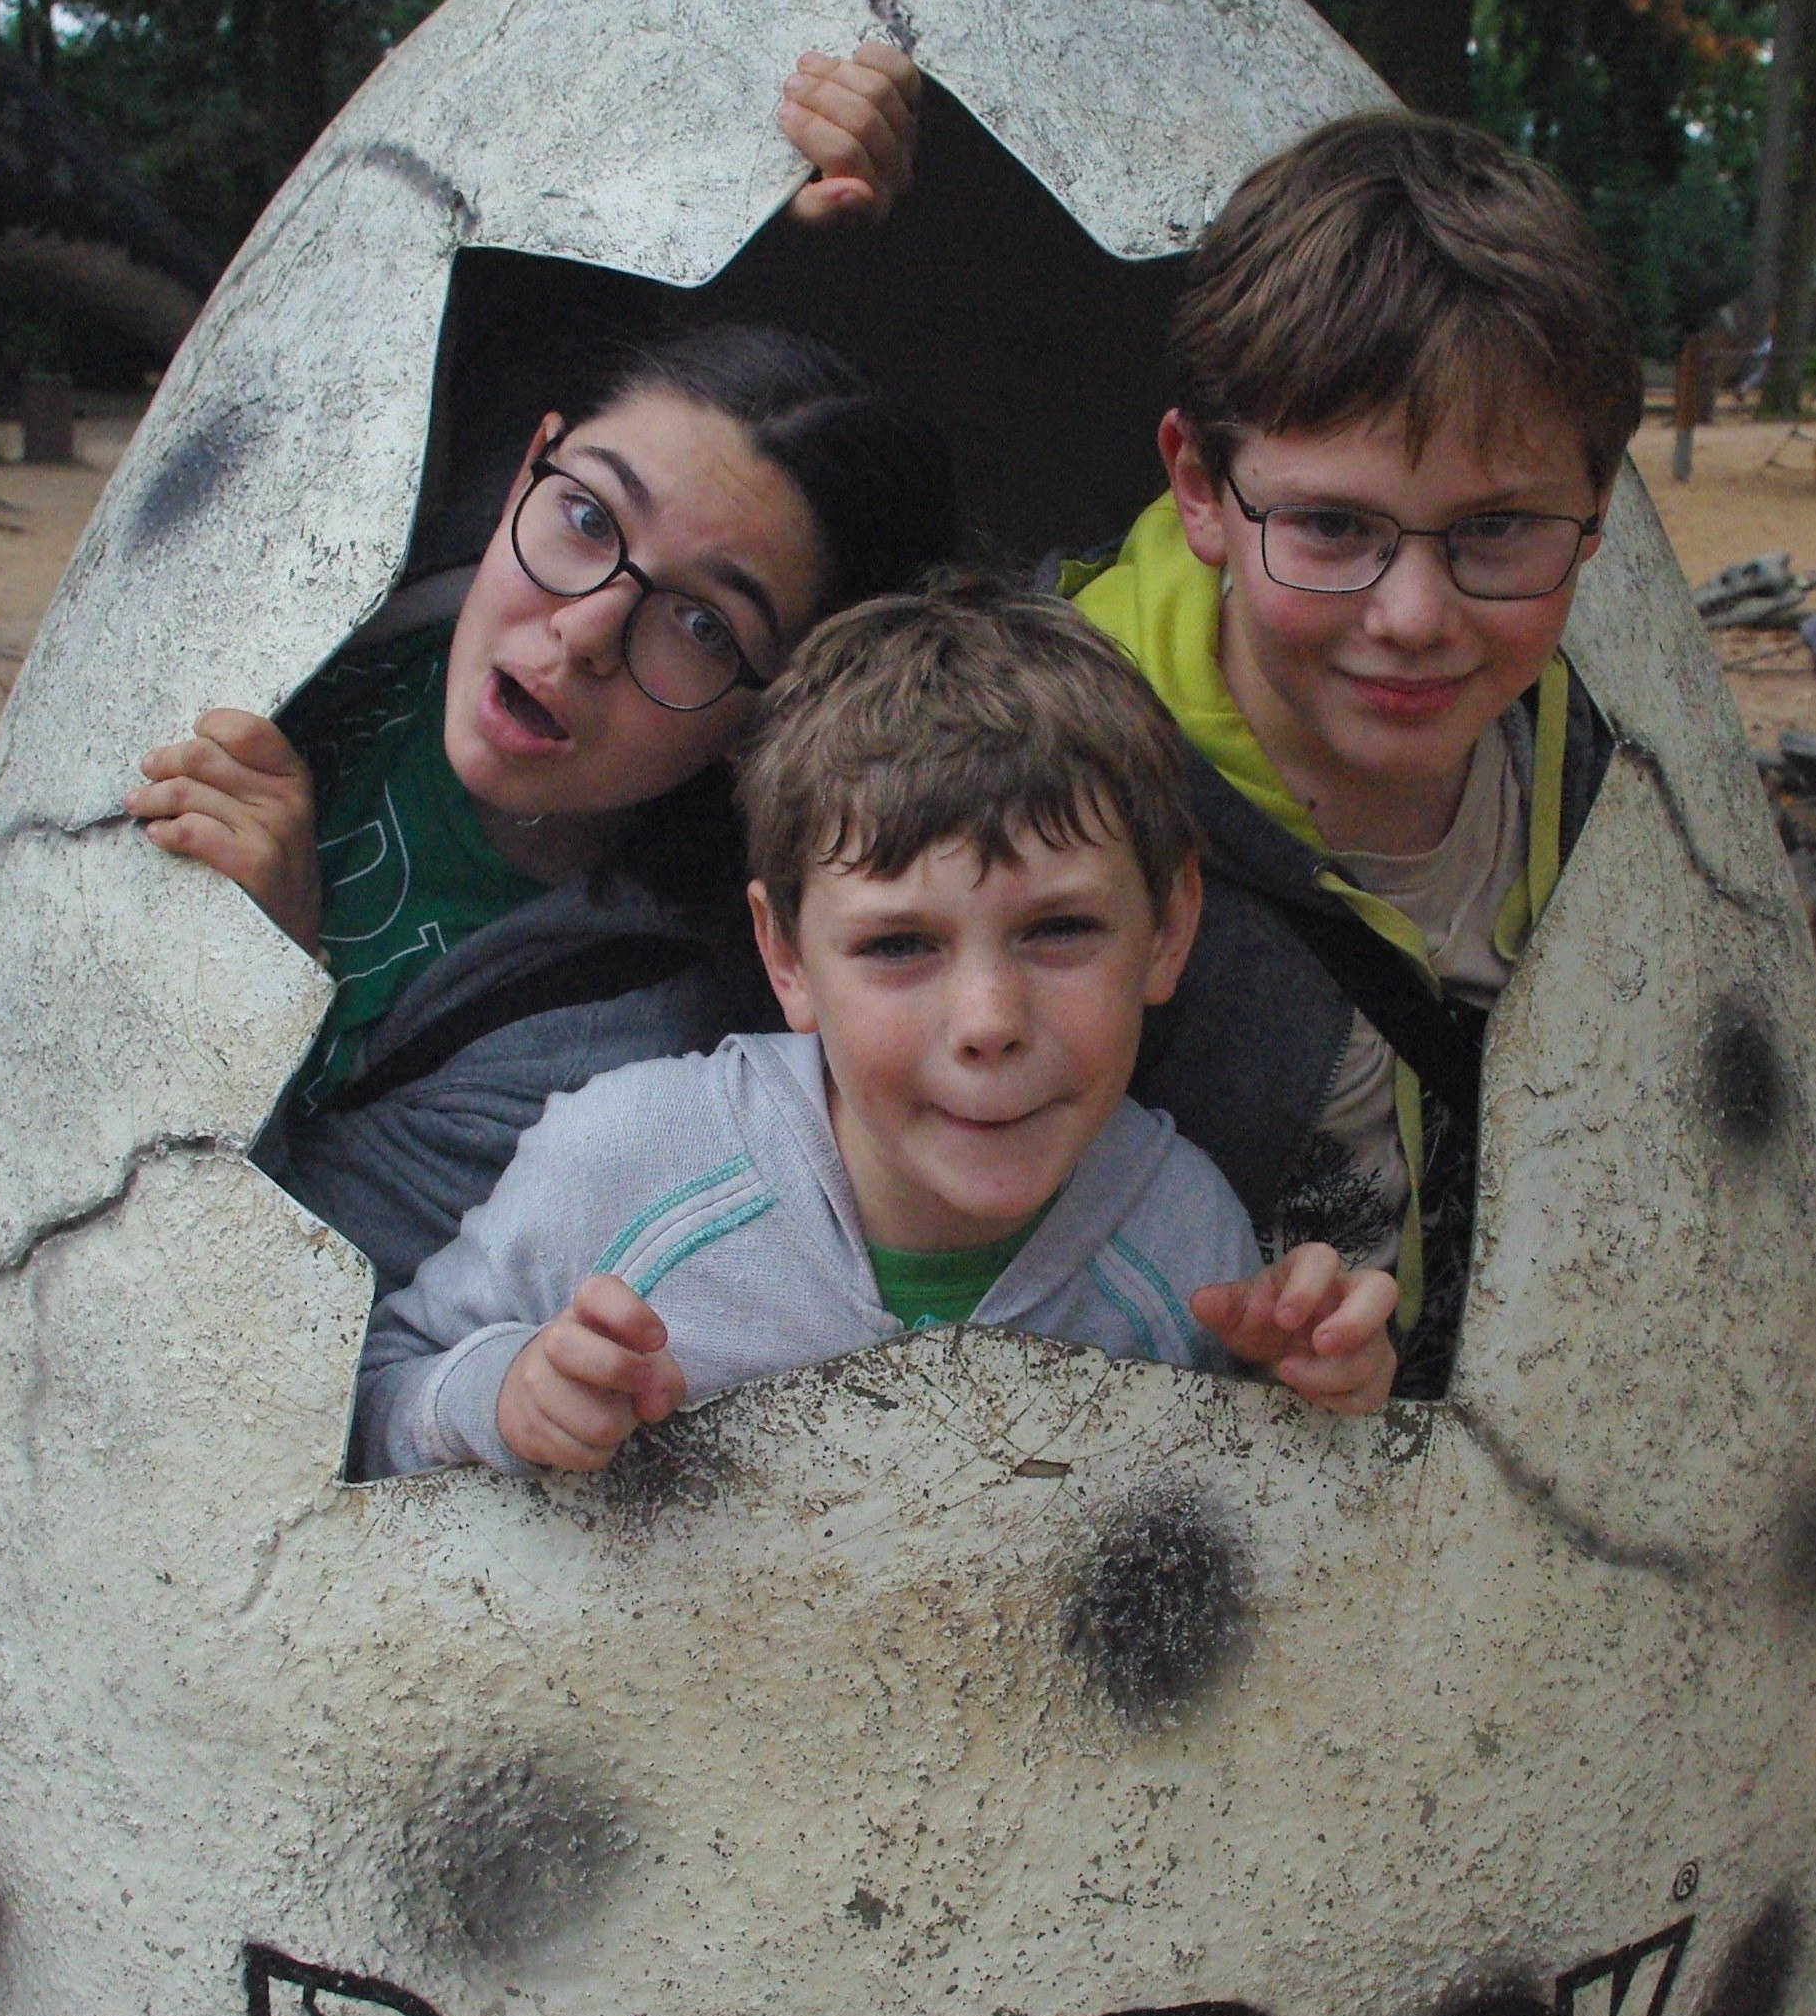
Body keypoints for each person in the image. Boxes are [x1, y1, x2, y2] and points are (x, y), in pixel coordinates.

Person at [127, 49, 952, 1287]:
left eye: (701, 625)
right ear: (529, 463)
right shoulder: (358, 559)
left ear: (768, 720)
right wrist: (771, 133)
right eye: (585, 516)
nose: (584, 631)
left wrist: (263, 974)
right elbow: (470, 180)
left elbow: (252, 1291)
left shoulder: (611, 1054)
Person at [353, 579, 1398, 1478]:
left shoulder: (1185, 1238)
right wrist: (501, 1397)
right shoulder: (625, 1161)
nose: (989, 1021)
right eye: (900, 944)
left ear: (1167, 929)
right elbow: (370, 1399)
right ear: (787, 956)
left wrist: (1296, 1406)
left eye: (1060, 929)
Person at [1059, 112, 1640, 1397]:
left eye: (1497, 528)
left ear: (1596, 508)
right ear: (1200, 488)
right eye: (1331, 525)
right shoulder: (1038, 789)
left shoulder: (1607, 786)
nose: (1415, 615)